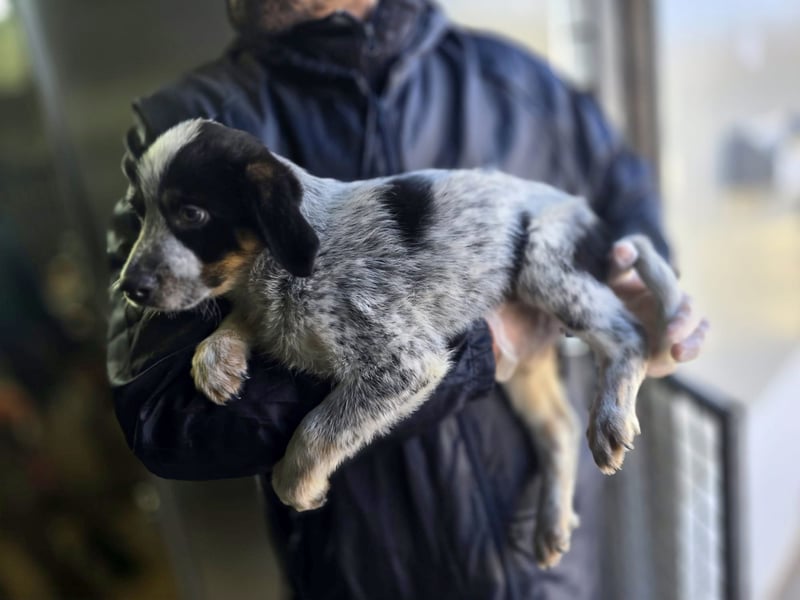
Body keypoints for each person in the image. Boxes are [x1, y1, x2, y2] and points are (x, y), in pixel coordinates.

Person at [106, 1, 709, 598]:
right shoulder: (181, 126)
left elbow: (622, 195)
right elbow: (165, 422)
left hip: (548, 577)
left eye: (187, 214)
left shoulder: (517, 79)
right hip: (363, 576)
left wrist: (647, 288)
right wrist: (491, 342)